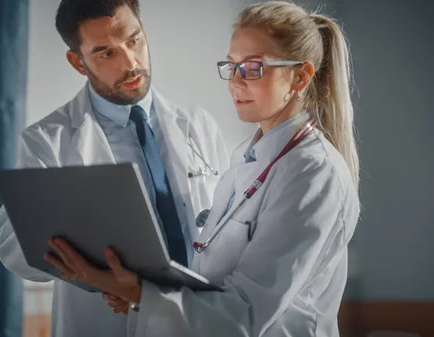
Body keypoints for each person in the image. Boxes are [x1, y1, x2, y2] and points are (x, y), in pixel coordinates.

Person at [43, 1, 361, 336]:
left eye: (253, 69)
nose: (235, 83)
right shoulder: (248, 160)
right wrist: (144, 295)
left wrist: (138, 293)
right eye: (231, 66)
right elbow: (215, 284)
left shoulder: (313, 175)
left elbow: (245, 311)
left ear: (300, 77)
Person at [0, 0, 229, 336]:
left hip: (200, 321)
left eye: (133, 41)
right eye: (106, 53)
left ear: (144, 31)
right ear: (78, 62)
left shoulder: (199, 125)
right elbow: (11, 246)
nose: (130, 63)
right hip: (107, 323)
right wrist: (76, 219)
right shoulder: (48, 140)